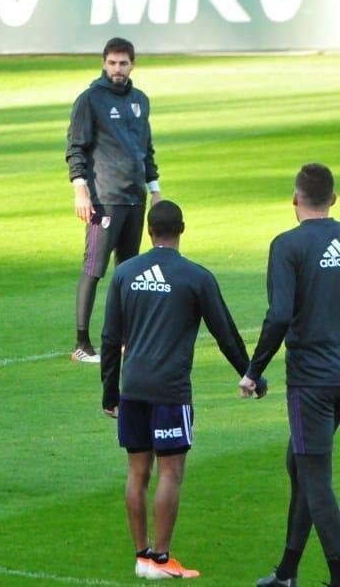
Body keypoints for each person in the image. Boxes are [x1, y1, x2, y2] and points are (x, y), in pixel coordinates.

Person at [100, 201, 260, 580]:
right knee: (170, 473)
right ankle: (160, 559)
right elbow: (226, 334)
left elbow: (109, 338)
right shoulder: (195, 277)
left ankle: (141, 557)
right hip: (170, 391)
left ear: (148, 231)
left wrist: (110, 392)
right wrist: (252, 373)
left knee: (137, 472)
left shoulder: (124, 273)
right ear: (182, 229)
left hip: (133, 388)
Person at [240, 163, 340, 587]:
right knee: (297, 464)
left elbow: (280, 314)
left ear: (295, 199)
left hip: (313, 381)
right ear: (333, 201)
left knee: (314, 477)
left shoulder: (287, 245)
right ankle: (287, 573)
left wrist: (253, 370)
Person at [66, 37, 160, 363]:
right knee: (94, 268)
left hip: (136, 198)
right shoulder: (90, 99)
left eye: (123, 63)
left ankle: (125, 340)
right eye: (112, 63)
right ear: (104, 63)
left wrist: (155, 189)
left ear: (133, 64)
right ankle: (82, 342)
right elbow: (75, 147)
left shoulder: (140, 100)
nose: (117, 69)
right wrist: (80, 189)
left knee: (129, 272)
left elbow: (145, 149)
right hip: (105, 198)